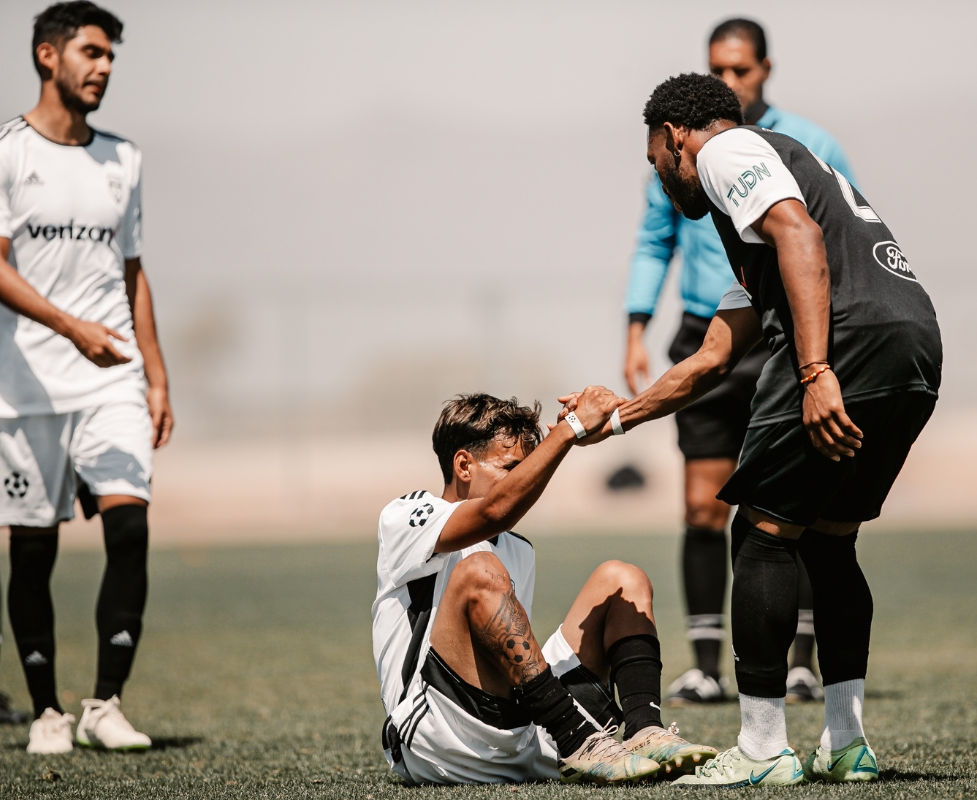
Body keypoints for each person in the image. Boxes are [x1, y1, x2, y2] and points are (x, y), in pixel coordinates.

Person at [564, 73, 941, 785]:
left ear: (674, 137)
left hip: (850, 338)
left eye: (653, 160)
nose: (659, 175)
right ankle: (846, 743)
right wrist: (615, 416)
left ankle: (765, 749)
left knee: (760, 533)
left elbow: (800, 236)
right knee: (829, 539)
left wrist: (815, 371)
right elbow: (711, 358)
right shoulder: (763, 212)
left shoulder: (727, 153)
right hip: (913, 341)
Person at [624, 18, 855, 706]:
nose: (730, 81)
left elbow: (829, 235)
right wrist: (636, 327)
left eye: (741, 70)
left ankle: (799, 665)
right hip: (712, 328)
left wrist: (818, 363)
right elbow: (653, 238)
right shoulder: (682, 155)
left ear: (766, 70)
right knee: (702, 506)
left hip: (784, 332)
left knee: (792, 509)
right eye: (717, 69)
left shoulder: (806, 143)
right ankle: (703, 665)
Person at [372, 392, 716, 785]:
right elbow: (492, 511)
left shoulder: (517, 548)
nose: (524, 479)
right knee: (480, 571)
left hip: (521, 739)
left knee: (622, 578)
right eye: (511, 468)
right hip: (437, 743)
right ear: (464, 464)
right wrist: (570, 431)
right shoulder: (405, 516)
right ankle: (577, 738)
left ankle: (644, 732)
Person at [0, 2, 173, 753]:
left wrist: (156, 376)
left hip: (113, 382)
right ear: (48, 55)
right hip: (27, 384)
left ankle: (106, 703)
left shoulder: (123, 158)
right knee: (34, 547)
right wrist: (70, 328)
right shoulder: (6, 152)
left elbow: (133, 274)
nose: (103, 68)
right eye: (91, 53)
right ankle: (47, 712)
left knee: (129, 527)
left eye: (111, 57)